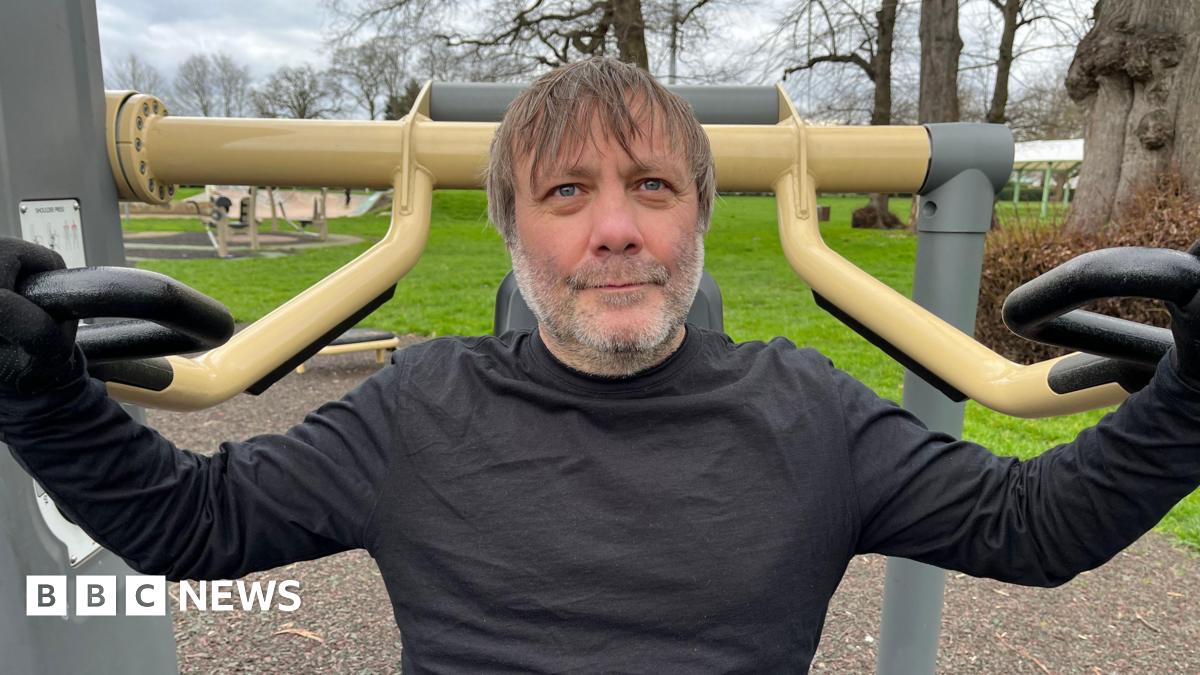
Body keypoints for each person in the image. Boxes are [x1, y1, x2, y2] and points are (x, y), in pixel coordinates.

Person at [2, 57, 1200, 673]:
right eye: (567, 192)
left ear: (698, 216)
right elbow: (191, 525)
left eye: (653, 186)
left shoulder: (806, 411)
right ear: (513, 229)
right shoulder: (419, 408)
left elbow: (1036, 528)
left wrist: (1191, 399)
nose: (616, 229)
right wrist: (38, 393)